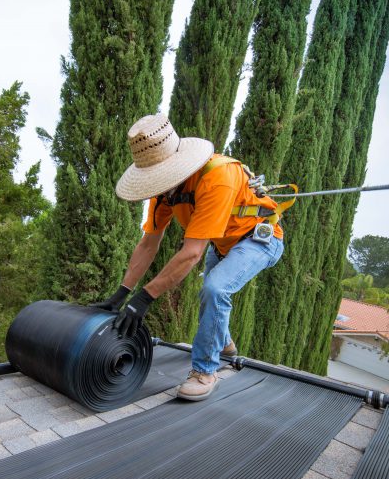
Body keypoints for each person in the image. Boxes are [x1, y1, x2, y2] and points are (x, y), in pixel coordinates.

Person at [91, 114, 285, 401]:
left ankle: (205, 370)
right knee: (212, 295)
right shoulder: (165, 191)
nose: (155, 188)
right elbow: (148, 244)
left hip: (257, 240)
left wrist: (144, 299)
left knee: (215, 289)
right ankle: (224, 343)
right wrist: (122, 292)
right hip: (220, 243)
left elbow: (191, 253)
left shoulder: (217, 178)